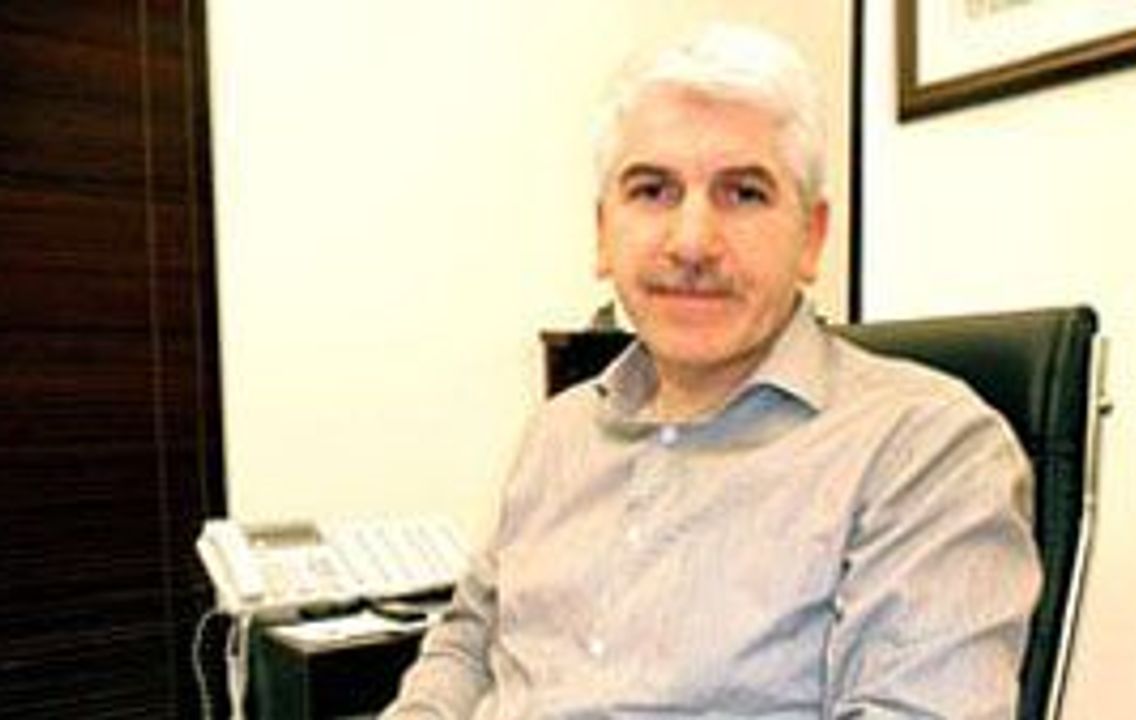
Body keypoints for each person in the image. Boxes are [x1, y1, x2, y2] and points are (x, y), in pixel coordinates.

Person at [383, 24, 1041, 719]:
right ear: (603, 234)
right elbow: (467, 645)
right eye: (653, 190)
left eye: (744, 193)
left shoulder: (928, 448)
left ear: (811, 238)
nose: (692, 243)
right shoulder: (556, 434)